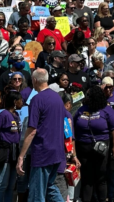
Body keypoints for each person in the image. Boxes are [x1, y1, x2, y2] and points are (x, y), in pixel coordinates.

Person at [17, 68, 77, 202]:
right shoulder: (57, 98)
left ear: (34, 80)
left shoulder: (37, 100)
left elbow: (32, 130)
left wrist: (21, 156)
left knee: (36, 194)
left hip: (42, 153)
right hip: (57, 153)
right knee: (50, 188)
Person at [72, 85, 114, 202]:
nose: (86, 97)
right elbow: (73, 128)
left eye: (88, 95)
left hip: (101, 148)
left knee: (101, 177)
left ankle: (102, 199)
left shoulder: (107, 110)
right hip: (83, 148)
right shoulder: (81, 110)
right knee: (87, 178)